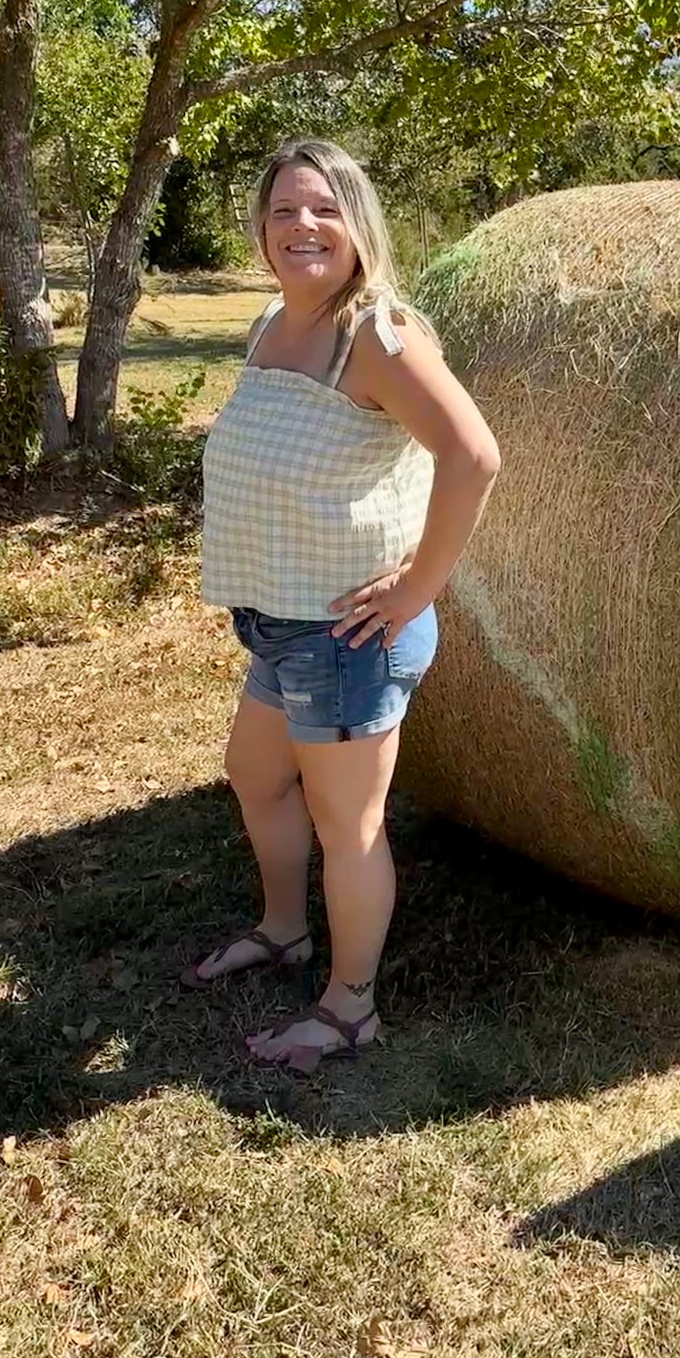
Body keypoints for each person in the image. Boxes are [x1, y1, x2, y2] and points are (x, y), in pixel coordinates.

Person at [186, 138, 500, 1073]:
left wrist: (416, 589)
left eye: (321, 208)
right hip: (279, 623)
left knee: (347, 825)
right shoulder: (271, 325)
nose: (301, 226)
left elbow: (472, 456)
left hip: (345, 636)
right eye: (282, 211)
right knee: (253, 772)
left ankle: (350, 1006)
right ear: (261, 229)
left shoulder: (377, 332)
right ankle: (286, 929)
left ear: (356, 222)